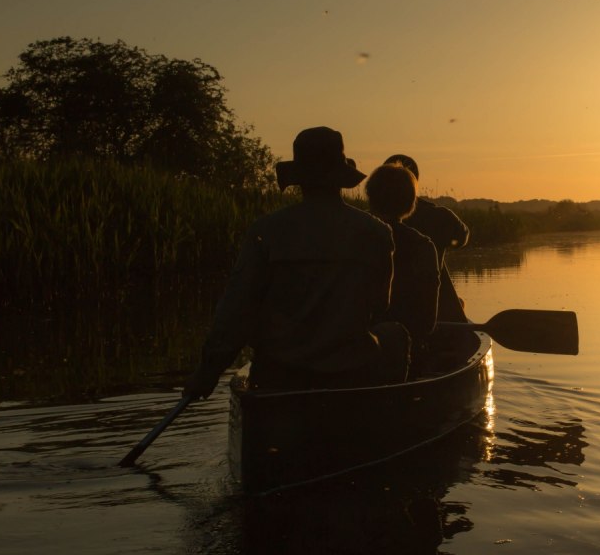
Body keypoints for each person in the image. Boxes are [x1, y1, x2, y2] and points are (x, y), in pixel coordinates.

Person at [184, 127, 407, 399]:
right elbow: (379, 306)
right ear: (340, 178)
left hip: (279, 374)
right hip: (350, 372)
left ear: (300, 179)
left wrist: (207, 373)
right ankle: (389, 414)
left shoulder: (266, 230)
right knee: (394, 335)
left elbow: (236, 310)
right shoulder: (376, 232)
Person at [364, 164, 440, 375]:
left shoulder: (351, 237)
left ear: (371, 198)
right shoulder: (423, 246)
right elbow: (427, 322)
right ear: (410, 203)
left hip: (352, 351)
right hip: (409, 354)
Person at [382, 154, 470, 323]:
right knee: (457, 304)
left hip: (385, 316)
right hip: (435, 312)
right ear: (414, 183)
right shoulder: (439, 216)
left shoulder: (366, 221)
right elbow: (462, 238)